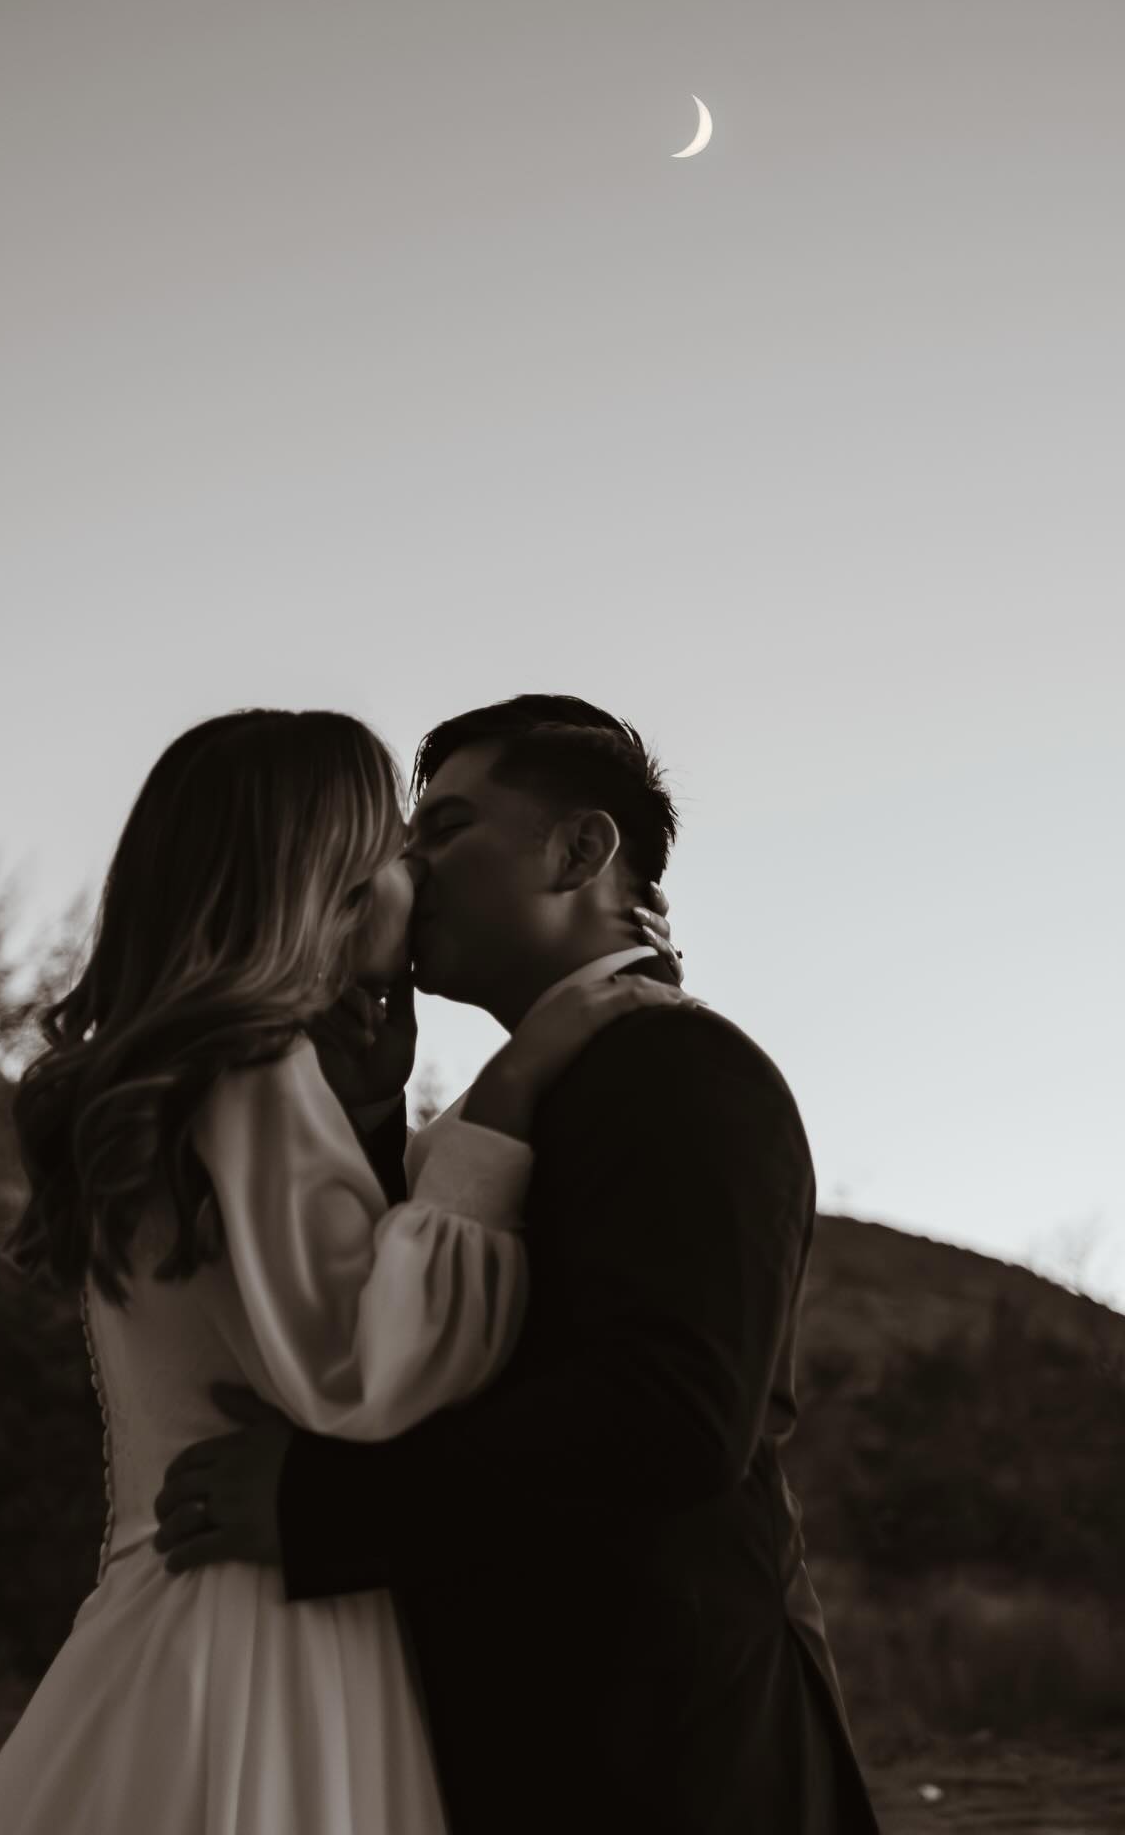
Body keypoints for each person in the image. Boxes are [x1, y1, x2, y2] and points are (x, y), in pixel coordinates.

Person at [0, 706, 689, 1835]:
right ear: (325, 880)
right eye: (402, 850)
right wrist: (517, 1080)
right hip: (263, 1637)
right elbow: (362, 1366)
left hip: (194, 1609)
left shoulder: (202, 1072)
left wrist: (376, 1114)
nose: (422, 878)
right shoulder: (249, 1072)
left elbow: (299, 1290)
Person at [155, 693, 882, 1835]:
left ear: (582, 850)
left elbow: (672, 1418)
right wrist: (371, 1117)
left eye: (446, 828)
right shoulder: (529, 1098)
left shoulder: (681, 1070)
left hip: (664, 1762)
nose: (408, 865)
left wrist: (320, 1505)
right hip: (536, 1740)